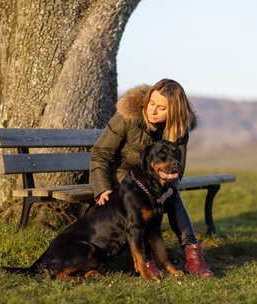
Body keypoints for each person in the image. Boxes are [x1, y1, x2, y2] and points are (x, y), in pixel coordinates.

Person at [90, 78, 214, 278]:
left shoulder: (179, 129)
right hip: (123, 176)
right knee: (141, 197)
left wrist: (171, 189)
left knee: (172, 195)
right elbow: (100, 155)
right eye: (151, 103)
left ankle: (193, 255)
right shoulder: (126, 119)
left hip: (155, 180)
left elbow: (177, 169)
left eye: (161, 108)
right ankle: (147, 257)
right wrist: (102, 187)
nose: (153, 111)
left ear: (173, 112)